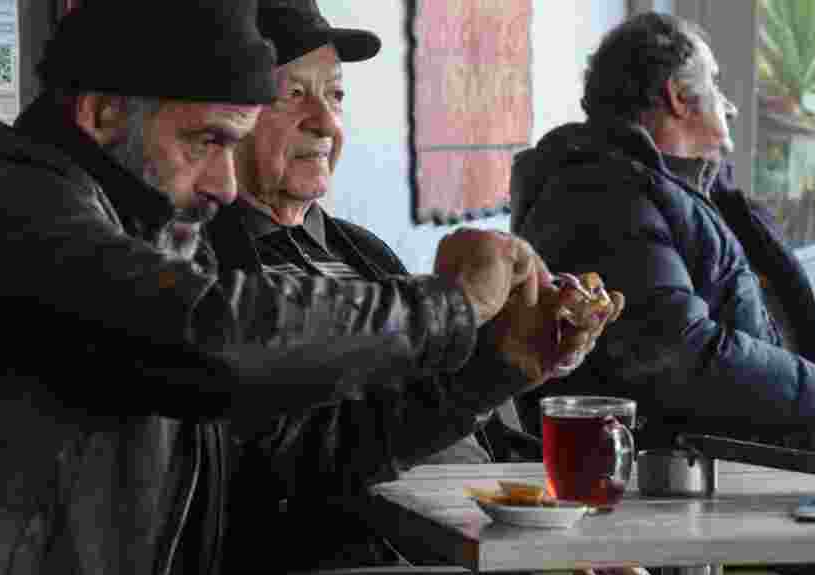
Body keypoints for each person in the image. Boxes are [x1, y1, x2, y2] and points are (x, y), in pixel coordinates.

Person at [0, 1, 615, 573]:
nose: (225, 185)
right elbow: (205, 332)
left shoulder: (157, 232)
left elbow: (294, 457)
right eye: (207, 140)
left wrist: (496, 366)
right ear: (105, 114)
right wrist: (451, 305)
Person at [206, 1, 605, 569]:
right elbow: (307, 461)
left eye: (335, 95)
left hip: (490, 532)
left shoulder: (361, 250)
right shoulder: (213, 268)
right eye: (293, 95)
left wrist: (521, 353)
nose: (325, 122)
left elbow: (449, 410)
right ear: (227, 114)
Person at [511, 11, 815, 447]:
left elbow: (761, 336)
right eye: (715, 84)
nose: (731, 105)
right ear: (679, 97)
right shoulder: (604, 196)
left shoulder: (685, 191)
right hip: (695, 462)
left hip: (761, 438)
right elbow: (684, 353)